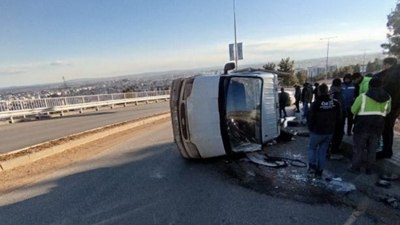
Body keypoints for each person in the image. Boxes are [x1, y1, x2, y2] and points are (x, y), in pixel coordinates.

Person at [349, 77, 391, 174]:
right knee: (372, 150)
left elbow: (353, 110)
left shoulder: (362, 96)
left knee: (358, 148)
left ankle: (355, 167)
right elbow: (388, 111)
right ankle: (369, 169)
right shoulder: (388, 97)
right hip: (378, 127)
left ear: (370, 85)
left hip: (362, 126)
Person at [307, 83, 341, 178]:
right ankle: (320, 170)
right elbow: (339, 118)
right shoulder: (335, 103)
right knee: (323, 151)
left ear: (319, 92)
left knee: (312, 148)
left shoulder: (316, 104)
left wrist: (310, 129)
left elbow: (310, 118)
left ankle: (312, 167)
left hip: (316, 131)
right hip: (329, 132)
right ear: (328, 91)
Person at [374, 58, 400, 159]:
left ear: (387, 64)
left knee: (386, 129)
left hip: (389, 106)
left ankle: (387, 151)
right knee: (388, 129)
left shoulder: (392, 75)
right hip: (396, 107)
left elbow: (387, 89)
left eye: (384, 65)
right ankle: (387, 150)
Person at [329, 78, 344, 155]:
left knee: (332, 134)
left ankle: (331, 149)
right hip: (338, 118)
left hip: (330, 117)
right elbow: (340, 105)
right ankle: (334, 151)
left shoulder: (330, 92)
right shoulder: (338, 93)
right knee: (338, 134)